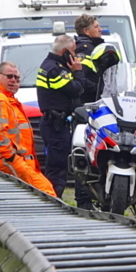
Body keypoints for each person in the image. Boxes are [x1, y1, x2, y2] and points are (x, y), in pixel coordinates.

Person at [0, 62, 56, 196]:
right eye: (9, 76)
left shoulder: (2, 98)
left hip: (7, 159)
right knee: (46, 193)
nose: (14, 81)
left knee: (40, 192)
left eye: (17, 78)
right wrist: (12, 157)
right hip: (4, 160)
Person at [36, 34, 85, 201]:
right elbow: (76, 90)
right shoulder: (56, 69)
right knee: (57, 167)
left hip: (55, 122)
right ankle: (53, 200)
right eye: (74, 51)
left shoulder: (52, 65)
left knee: (57, 164)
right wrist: (78, 72)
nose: (76, 55)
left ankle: (53, 198)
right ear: (65, 52)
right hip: (56, 124)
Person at [74, 14, 122, 104]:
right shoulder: (85, 49)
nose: (100, 29)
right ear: (86, 31)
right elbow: (82, 77)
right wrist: (101, 89)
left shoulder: (92, 46)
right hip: (91, 101)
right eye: (96, 27)